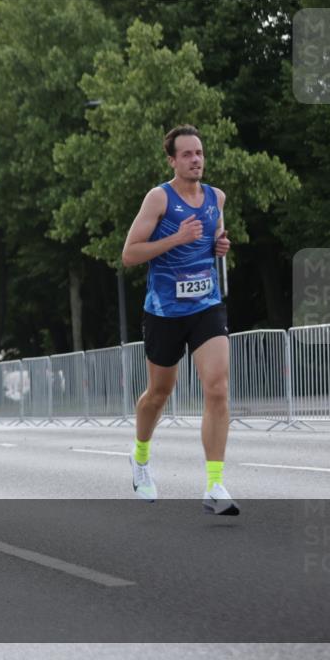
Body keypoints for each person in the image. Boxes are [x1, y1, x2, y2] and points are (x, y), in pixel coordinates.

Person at [121, 124, 238, 516]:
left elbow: (214, 242)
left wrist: (220, 244)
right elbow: (131, 254)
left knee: (218, 388)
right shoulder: (159, 199)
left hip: (206, 305)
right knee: (159, 394)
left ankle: (215, 484)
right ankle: (140, 460)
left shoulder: (216, 198)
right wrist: (176, 239)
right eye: (187, 154)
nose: (196, 160)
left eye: (199, 153)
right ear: (172, 160)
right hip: (164, 311)